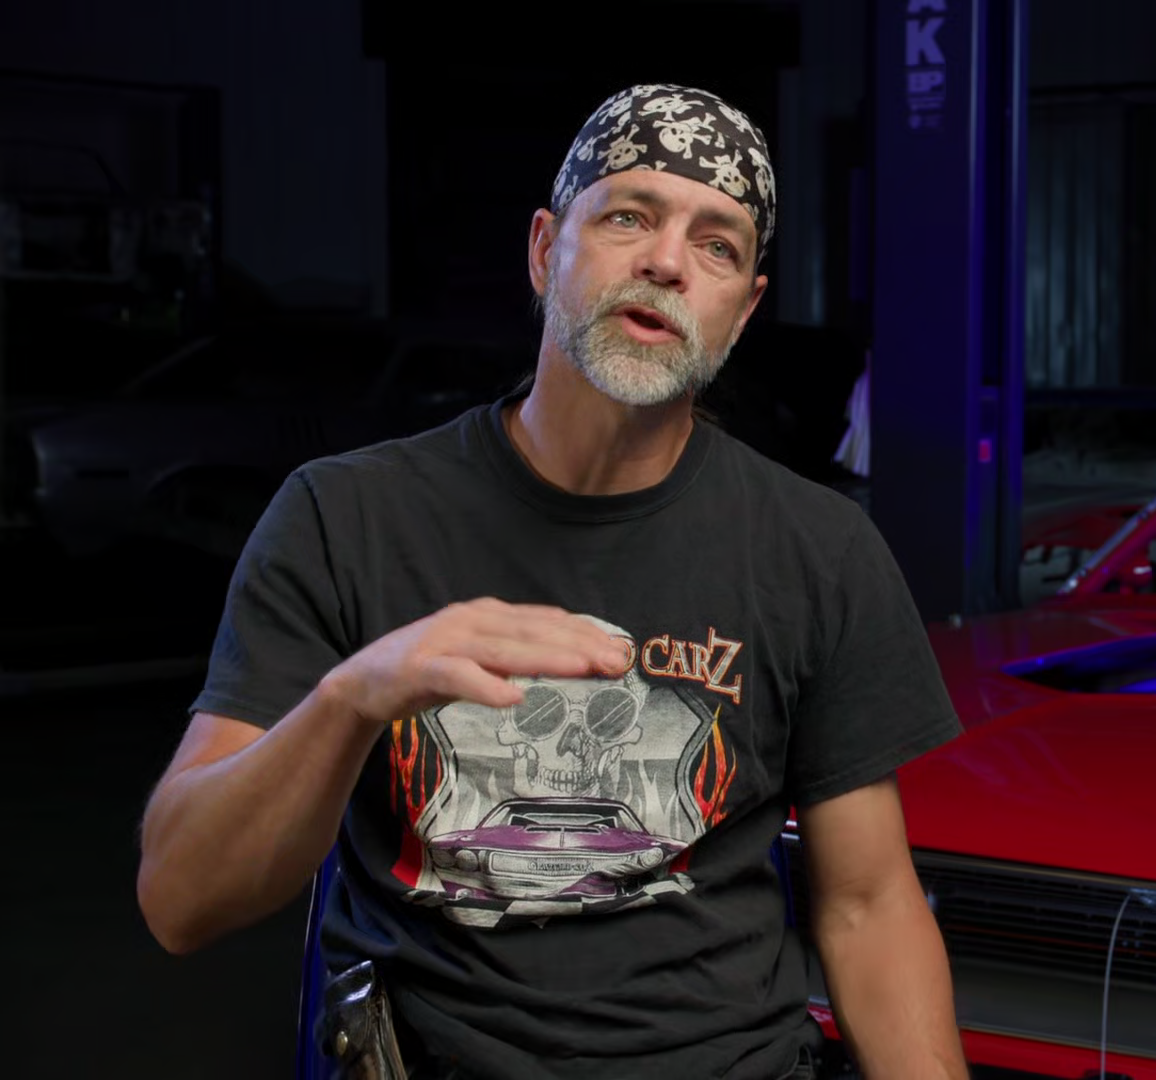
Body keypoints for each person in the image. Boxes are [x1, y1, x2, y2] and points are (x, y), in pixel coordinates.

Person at [135, 82, 969, 1080]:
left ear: (742, 310)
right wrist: (354, 697)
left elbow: (869, 907)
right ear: (544, 251)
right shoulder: (346, 518)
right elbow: (181, 900)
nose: (667, 261)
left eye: (716, 244)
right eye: (628, 217)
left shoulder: (818, 551)